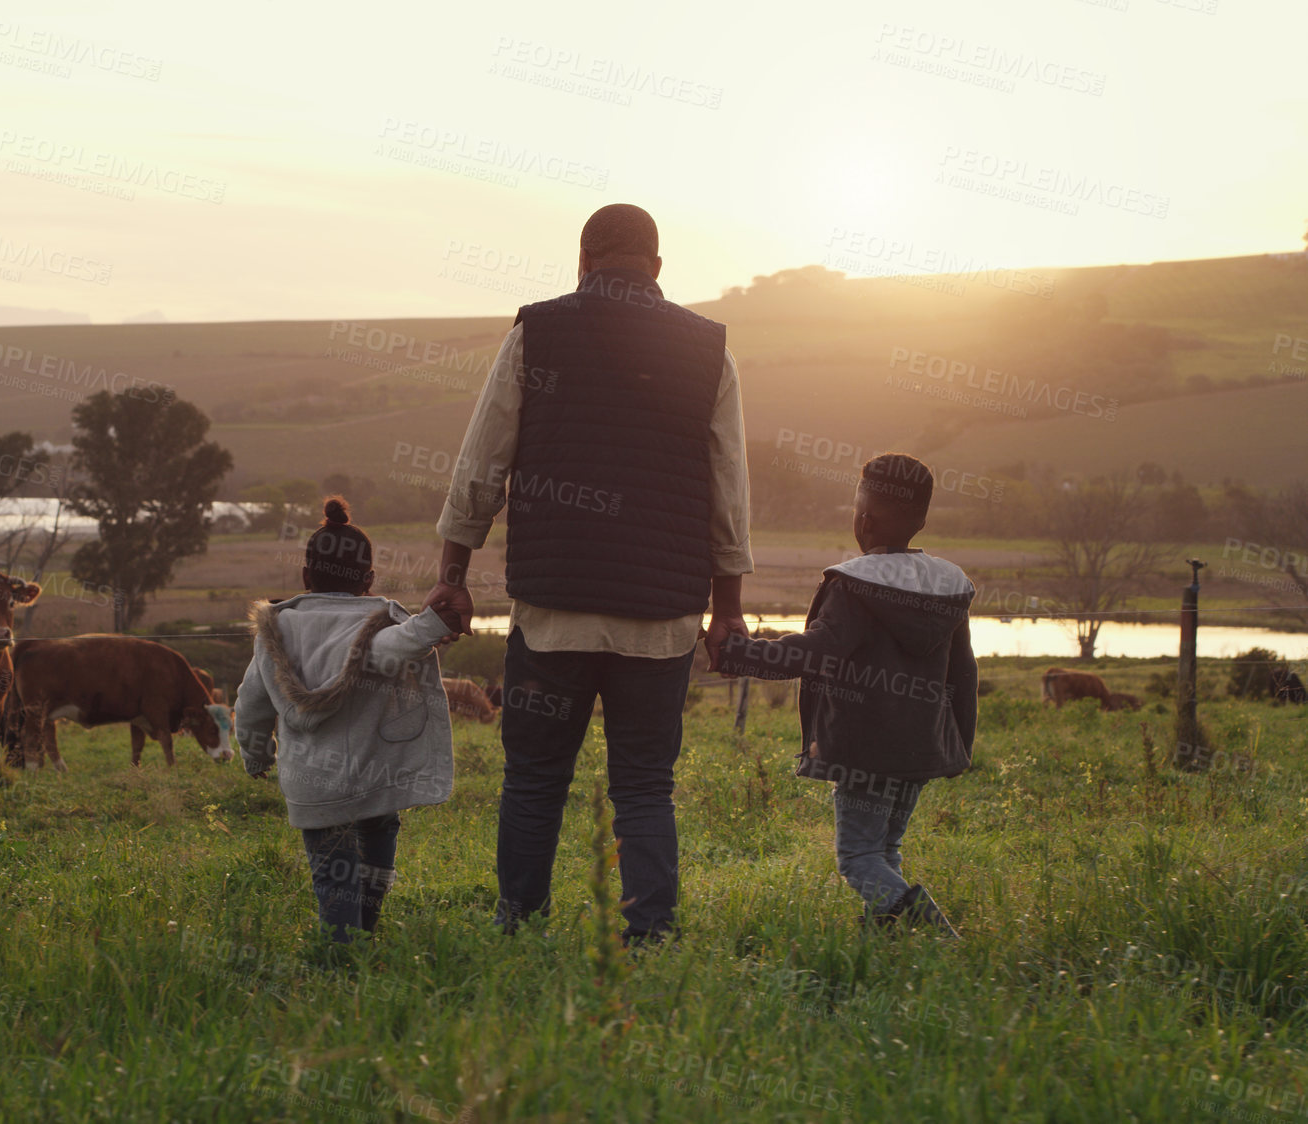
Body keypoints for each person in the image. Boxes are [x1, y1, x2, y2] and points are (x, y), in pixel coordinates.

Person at [423, 203, 753, 944]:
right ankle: (651, 941)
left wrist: (453, 572)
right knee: (643, 786)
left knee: (536, 780)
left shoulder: (534, 333)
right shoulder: (710, 351)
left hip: (553, 613)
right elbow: (728, 485)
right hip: (661, 619)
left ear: (582, 261)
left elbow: (482, 463)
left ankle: (518, 927)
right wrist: (726, 606)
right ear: (658, 270)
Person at [717, 453, 975, 934]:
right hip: (922, 748)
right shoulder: (951, 585)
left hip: (864, 749)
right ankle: (885, 945)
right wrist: (960, 747)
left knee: (857, 858)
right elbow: (965, 672)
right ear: (920, 520)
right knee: (885, 850)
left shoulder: (854, 584)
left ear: (864, 520)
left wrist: (739, 654)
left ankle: (938, 936)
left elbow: (815, 651)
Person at [235, 497, 463, 942]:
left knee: (332, 874)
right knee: (377, 849)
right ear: (369, 579)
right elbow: (394, 648)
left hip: (314, 785)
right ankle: (366, 932)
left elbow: (251, 702)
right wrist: (434, 624)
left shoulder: (276, 631)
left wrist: (256, 754)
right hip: (375, 773)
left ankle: (343, 952)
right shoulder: (379, 625)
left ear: (305, 576)